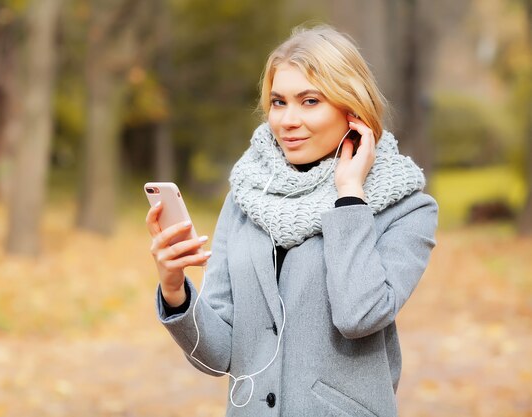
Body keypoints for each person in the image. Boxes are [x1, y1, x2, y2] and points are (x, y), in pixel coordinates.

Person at [145, 24, 437, 417]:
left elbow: (359, 316)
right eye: (279, 102)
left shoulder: (406, 208)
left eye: (310, 101)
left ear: (353, 110)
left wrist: (349, 195)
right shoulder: (246, 197)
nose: (288, 120)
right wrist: (174, 288)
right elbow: (216, 358)